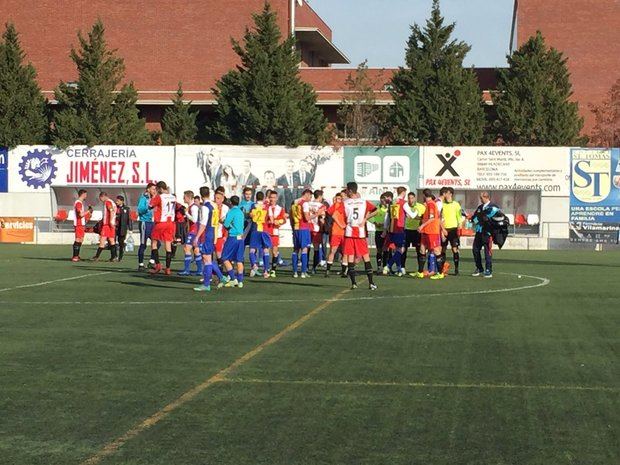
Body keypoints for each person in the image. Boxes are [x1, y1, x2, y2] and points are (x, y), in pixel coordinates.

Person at [342, 182, 378, 291]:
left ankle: (353, 283)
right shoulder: (363, 202)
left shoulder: (345, 202)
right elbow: (376, 210)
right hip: (360, 233)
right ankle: (371, 283)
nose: (346, 192)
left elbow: (338, 215)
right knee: (366, 257)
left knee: (350, 258)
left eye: (347, 190)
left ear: (350, 191)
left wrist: (343, 224)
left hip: (349, 232)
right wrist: (365, 219)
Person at [193, 187, 219, 292]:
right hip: (213, 233)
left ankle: (207, 284)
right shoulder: (214, 205)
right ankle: (221, 277)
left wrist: (197, 237)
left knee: (207, 259)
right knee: (207, 258)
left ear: (200, 195)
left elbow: (203, 224)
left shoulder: (205, 207)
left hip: (207, 234)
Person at [149, 181, 176, 275]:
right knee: (168, 245)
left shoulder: (159, 196)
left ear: (160, 189)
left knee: (154, 242)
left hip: (161, 222)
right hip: (170, 222)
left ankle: (158, 265)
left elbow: (150, 205)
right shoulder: (173, 196)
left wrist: (153, 196)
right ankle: (168, 268)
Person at [416, 189, 444, 280]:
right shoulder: (428, 204)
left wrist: (422, 226)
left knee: (436, 250)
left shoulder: (431, 204)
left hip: (432, 231)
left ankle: (440, 273)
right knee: (422, 249)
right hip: (426, 231)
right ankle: (420, 272)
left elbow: (432, 218)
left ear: (424, 196)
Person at [471, 191, 500, 278]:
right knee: (475, 250)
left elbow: (491, 217)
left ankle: (488, 270)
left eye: (481, 198)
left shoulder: (493, 207)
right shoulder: (480, 207)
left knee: (487, 251)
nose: (480, 199)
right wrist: (474, 220)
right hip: (479, 232)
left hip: (487, 232)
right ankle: (479, 268)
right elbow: (475, 217)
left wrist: (483, 219)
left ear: (485, 197)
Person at [221, 195, 246, 288]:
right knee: (239, 260)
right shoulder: (241, 212)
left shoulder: (231, 211)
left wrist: (222, 222)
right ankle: (240, 281)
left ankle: (233, 278)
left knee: (224, 258)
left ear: (230, 203)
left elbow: (226, 224)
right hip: (241, 238)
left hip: (233, 237)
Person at [384, 186, 408, 276]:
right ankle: (388, 265)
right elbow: (412, 214)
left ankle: (399, 269)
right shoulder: (403, 203)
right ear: (403, 192)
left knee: (397, 249)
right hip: (400, 228)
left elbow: (389, 216)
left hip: (392, 229)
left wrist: (386, 228)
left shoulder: (393, 201)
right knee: (401, 249)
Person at [178, 191, 203, 276]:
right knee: (196, 250)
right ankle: (200, 270)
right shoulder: (192, 207)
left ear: (188, 197)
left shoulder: (193, 207)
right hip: (195, 230)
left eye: (184, 197)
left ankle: (187, 270)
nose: (183, 198)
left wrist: (186, 213)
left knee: (186, 248)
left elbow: (194, 220)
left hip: (194, 231)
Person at [248, 191, 272, 278]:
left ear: (256, 197)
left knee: (252, 250)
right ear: (263, 197)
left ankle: (254, 265)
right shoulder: (267, 206)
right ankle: (266, 271)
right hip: (264, 230)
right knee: (266, 250)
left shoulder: (253, 205)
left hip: (255, 230)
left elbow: (250, 215)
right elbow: (271, 218)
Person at [441, 187, 463, 275]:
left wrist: (459, 225)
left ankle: (456, 269)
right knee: (443, 249)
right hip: (444, 229)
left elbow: (459, 216)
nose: (445, 195)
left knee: (454, 249)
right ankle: (442, 268)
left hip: (453, 229)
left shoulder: (456, 204)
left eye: (447, 193)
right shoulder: (442, 204)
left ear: (450, 194)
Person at [264, 190, 287, 277]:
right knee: (266, 250)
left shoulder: (280, 209)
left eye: (274, 197)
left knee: (274, 251)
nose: (272, 199)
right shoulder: (266, 207)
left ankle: (273, 270)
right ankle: (266, 269)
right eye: (271, 197)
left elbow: (284, 220)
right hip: (266, 231)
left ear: (277, 198)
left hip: (275, 232)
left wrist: (279, 221)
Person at [325, 192, 347, 277]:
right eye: (340, 197)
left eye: (343, 196)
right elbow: (331, 213)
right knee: (332, 251)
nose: (341, 198)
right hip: (337, 232)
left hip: (344, 233)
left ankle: (344, 272)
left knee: (345, 253)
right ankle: (327, 271)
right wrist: (341, 224)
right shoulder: (337, 205)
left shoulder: (348, 205)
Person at [402, 192, 425, 274]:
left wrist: (416, 218)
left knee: (419, 250)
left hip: (417, 231)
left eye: (412, 198)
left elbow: (423, 218)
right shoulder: (405, 206)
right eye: (409, 198)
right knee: (403, 250)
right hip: (407, 230)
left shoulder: (421, 207)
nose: (410, 200)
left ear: (415, 198)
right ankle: (402, 268)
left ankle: (420, 270)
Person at [92, 192, 117, 262]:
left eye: (100, 198)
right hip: (112, 224)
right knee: (112, 240)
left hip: (107, 225)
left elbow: (111, 211)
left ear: (103, 196)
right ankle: (114, 257)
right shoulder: (112, 202)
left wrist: (110, 221)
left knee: (102, 240)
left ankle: (96, 256)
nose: (101, 200)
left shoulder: (107, 202)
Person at [137, 182, 157, 271]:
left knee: (157, 243)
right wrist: (148, 207)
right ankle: (140, 264)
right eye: (153, 189)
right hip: (144, 223)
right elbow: (140, 210)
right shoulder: (143, 198)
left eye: (155, 189)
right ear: (148, 189)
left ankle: (151, 261)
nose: (154, 190)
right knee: (143, 244)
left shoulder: (155, 198)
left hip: (152, 223)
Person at [307, 189, 327, 274]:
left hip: (307, 228)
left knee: (306, 248)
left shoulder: (307, 204)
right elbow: (322, 218)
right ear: (320, 196)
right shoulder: (321, 206)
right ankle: (313, 268)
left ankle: (306, 266)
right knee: (316, 249)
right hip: (316, 229)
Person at [367, 194, 388, 273]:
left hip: (387, 232)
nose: (383, 202)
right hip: (379, 231)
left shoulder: (390, 209)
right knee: (379, 250)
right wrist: (375, 223)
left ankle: (385, 266)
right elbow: (368, 216)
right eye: (382, 200)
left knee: (386, 250)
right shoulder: (377, 208)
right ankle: (379, 267)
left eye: (384, 200)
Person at [71, 189, 91, 262]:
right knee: (78, 239)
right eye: (85, 194)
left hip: (81, 224)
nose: (86, 196)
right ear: (82, 194)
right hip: (79, 224)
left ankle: (77, 255)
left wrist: (88, 214)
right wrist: (88, 211)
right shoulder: (78, 203)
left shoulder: (80, 203)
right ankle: (75, 256)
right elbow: (80, 214)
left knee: (81, 239)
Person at [114, 195, 132, 262]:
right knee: (113, 242)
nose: (116, 202)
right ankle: (114, 256)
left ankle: (120, 257)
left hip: (122, 228)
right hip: (115, 227)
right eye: (116, 200)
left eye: (118, 201)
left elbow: (129, 219)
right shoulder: (114, 207)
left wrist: (130, 228)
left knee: (121, 243)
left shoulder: (126, 209)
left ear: (122, 201)